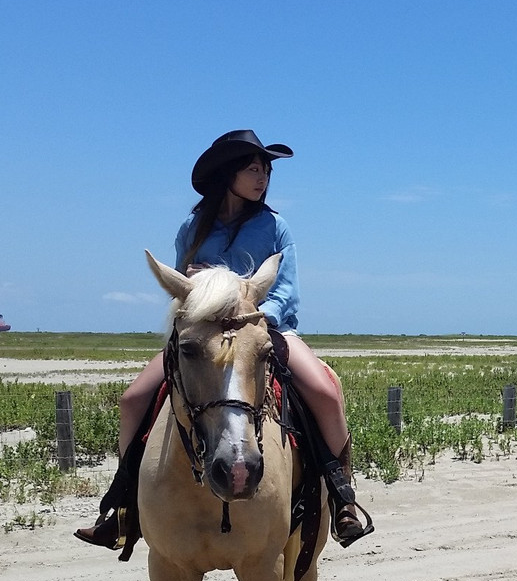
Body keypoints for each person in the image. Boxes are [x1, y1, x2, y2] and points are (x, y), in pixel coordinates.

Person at [75, 130, 371, 550]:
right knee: (132, 400)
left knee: (325, 391)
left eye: (266, 170)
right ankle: (124, 506)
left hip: (264, 328)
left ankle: (342, 496)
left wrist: (247, 314)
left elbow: (287, 290)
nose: (262, 177)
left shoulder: (275, 227)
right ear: (227, 174)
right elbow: (182, 291)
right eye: (253, 168)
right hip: (203, 335)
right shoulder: (193, 227)